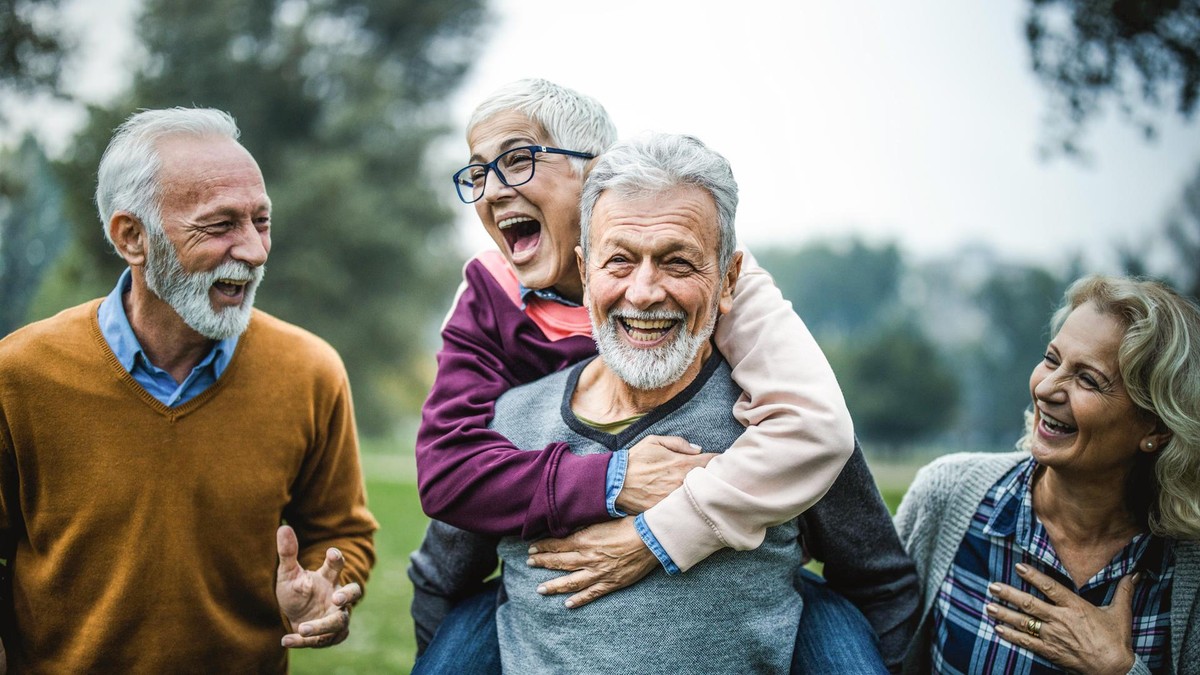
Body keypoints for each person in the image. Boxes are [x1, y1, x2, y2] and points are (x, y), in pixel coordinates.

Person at [410, 79, 916, 673]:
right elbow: (446, 478)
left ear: (724, 279)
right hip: (540, 493)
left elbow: (823, 443)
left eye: (518, 161)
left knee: (830, 625)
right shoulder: (490, 304)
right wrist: (613, 478)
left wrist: (660, 535)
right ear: (587, 263)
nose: (645, 291)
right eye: (618, 259)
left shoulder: (764, 397)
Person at [0, 107, 377, 673]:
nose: (254, 250)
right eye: (221, 224)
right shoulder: (19, 373)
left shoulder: (311, 371)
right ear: (133, 237)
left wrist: (331, 591)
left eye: (261, 221)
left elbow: (341, 529)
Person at [895, 275, 1200, 674]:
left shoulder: (1188, 570)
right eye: (1052, 360)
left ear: (1155, 428)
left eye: (1088, 379)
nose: (1047, 388)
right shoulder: (947, 495)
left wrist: (1119, 669)